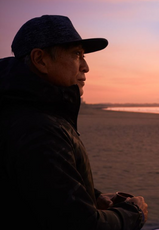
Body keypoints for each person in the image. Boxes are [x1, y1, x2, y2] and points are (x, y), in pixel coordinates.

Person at [0, 15, 148, 230]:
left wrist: (90, 197)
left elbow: (36, 188)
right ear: (40, 60)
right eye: (76, 54)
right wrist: (134, 214)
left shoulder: (24, 112)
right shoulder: (39, 129)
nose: (85, 67)